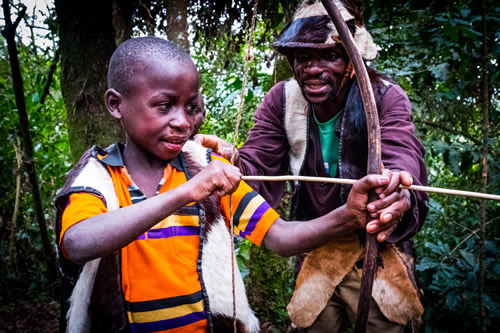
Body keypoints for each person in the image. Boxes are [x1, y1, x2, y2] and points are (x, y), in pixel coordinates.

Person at [55, 36, 408, 333]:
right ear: (116, 104)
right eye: (164, 106)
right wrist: (184, 193)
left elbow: (280, 237)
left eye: (192, 107)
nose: (182, 122)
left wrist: (349, 214)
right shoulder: (100, 176)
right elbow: (78, 242)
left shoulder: (205, 168)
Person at [195, 0, 429, 332]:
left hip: (377, 255)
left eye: (329, 56)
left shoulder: (384, 96)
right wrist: (231, 161)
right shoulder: (283, 99)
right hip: (316, 248)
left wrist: (396, 190)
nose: (312, 68)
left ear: (352, 61)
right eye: (303, 57)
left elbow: (400, 153)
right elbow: (253, 164)